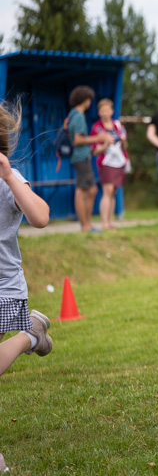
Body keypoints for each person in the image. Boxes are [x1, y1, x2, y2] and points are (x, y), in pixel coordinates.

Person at [0, 100, 52, 379]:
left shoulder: (8, 180)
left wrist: (8, 176)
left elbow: (41, 217)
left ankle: (28, 336)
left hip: (3, 284)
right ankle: (31, 332)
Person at [66, 86, 113, 233]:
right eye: (89, 100)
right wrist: (98, 138)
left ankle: (87, 225)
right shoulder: (78, 116)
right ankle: (85, 227)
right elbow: (77, 140)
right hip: (81, 157)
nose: (90, 103)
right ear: (85, 100)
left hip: (81, 157)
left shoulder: (72, 114)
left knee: (91, 190)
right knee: (82, 191)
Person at [90, 98, 129, 232]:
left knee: (113, 192)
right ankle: (105, 223)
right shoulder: (97, 128)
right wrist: (106, 144)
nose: (105, 112)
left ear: (112, 111)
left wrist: (123, 141)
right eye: (102, 110)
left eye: (108, 109)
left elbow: (125, 145)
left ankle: (111, 222)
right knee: (107, 191)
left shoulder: (118, 125)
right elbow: (94, 150)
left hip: (119, 162)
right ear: (99, 112)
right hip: (106, 162)